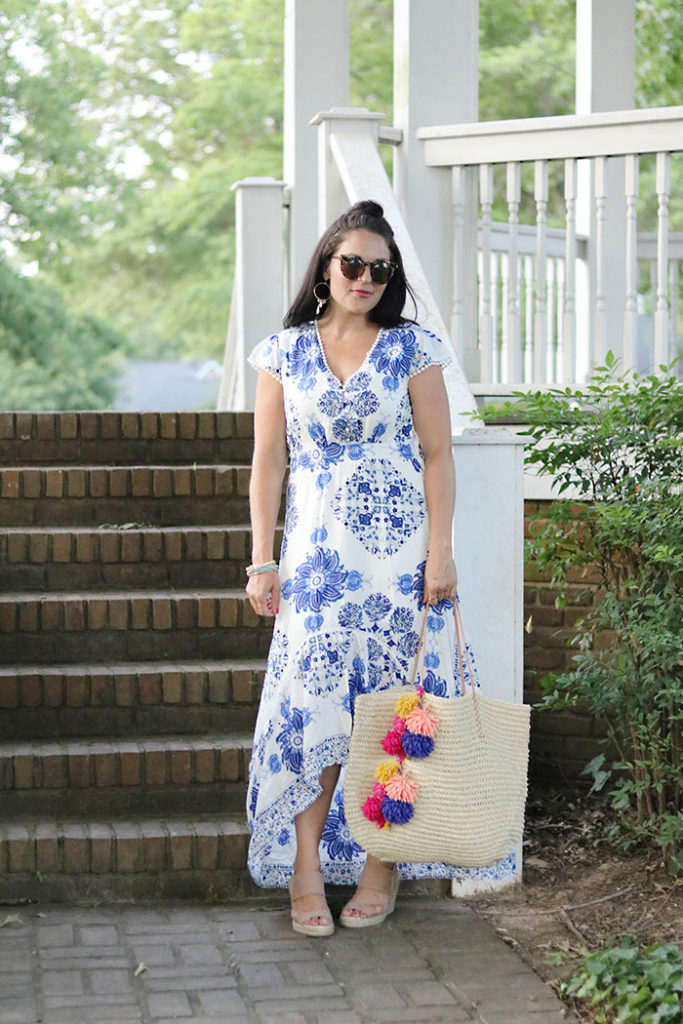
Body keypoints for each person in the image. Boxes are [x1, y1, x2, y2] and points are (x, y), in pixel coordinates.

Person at [245, 199, 465, 937]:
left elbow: (438, 455)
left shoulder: (411, 349)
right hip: (313, 563)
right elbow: (268, 461)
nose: (366, 278)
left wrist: (439, 552)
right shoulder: (283, 352)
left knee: (390, 707)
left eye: (380, 268)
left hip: (397, 558)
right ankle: (304, 868)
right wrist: (261, 559)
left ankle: (382, 863)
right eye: (352, 264)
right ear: (324, 269)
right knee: (311, 705)